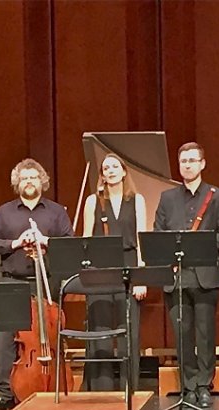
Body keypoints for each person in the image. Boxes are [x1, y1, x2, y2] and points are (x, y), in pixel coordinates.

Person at [0, 159, 72, 410]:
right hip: (12, 282)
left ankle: (48, 385)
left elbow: (68, 242)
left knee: (47, 338)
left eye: (33, 177)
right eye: (24, 178)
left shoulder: (55, 212)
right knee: (6, 340)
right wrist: (16, 243)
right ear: (17, 183)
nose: (29, 181)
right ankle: (4, 392)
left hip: (44, 283)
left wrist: (45, 241)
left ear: (42, 181)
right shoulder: (5, 212)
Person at [153, 142, 219, 408]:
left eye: (192, 160)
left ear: (202, 164)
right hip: (176, 277)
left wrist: (200, 247)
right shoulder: (167, 198)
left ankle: (203, 385)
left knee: (205, 334)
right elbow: (158, 233)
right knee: (182, 335)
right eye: (183, 161)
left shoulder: (217, 195)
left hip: (205, 275)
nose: (187, 165)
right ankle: (187, 386)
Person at [79, 153, 147, 391]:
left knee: (130, 330)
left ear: (124, 171)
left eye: (114, 166)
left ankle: (132, 389)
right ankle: (101, 388)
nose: (110, 171)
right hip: (100, 268)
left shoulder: (136, 200)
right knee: (100, 331)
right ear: (102, 176)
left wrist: (141, 277)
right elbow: (86, 239)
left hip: (129, 265)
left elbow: (141, 239)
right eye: (105, 168)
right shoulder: (92, 201)